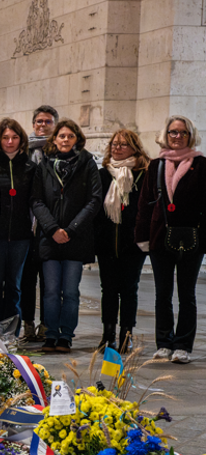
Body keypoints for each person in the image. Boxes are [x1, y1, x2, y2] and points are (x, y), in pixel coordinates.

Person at [135, 115, 206, 364]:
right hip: (159, 237)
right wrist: (142, 237)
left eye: (182, 133)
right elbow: (144, 205)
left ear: (190, 135)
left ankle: (183, 346)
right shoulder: (155, 165)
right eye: (173, 132)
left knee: (187, 294)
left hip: (192, 238)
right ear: (166, 135)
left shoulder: (202, 165)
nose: (177, 137)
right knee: (162, 294)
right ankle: (164, 343)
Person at [31, 119, 101, 354]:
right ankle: (50, 334)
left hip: (75, 238)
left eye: (70, 136)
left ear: (77, 139)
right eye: (62, 136)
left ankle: (66, 336)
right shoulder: (44, 165)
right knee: (50, 290)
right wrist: (52, 229)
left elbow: (94, 200)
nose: (65, 140)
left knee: (70, 291)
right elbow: (37, 200)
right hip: (49, 238)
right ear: (55, 139)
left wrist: (70, 230)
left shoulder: (87, 163)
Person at [95, 129, 150, 352]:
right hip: (107, 241)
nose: (117, 148)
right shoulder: (102, 173)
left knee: (129, 289)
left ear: (134, 148)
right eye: (114, 144)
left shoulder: (144, 173)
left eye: (123, 144)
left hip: (132, 242)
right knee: (107, 289)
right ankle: (108, 335)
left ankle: (127, 334)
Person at [0, 118, 35, 336]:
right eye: (5, 137)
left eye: (14, 137)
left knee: (14, 286)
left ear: (21, 139)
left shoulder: (30, 166)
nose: (10, 142)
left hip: (21, 235)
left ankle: (11, 333)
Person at [21, 105, 59, 341]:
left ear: (55, 125)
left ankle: (46, 325)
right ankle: (27, 324)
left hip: (51, 226)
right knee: (26, 279)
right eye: (39, 122)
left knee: (49, 281)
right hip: (26, 225)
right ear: (33, 124)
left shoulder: (60, 152)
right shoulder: (23, 151)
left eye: (47, 122)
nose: (42, 125)